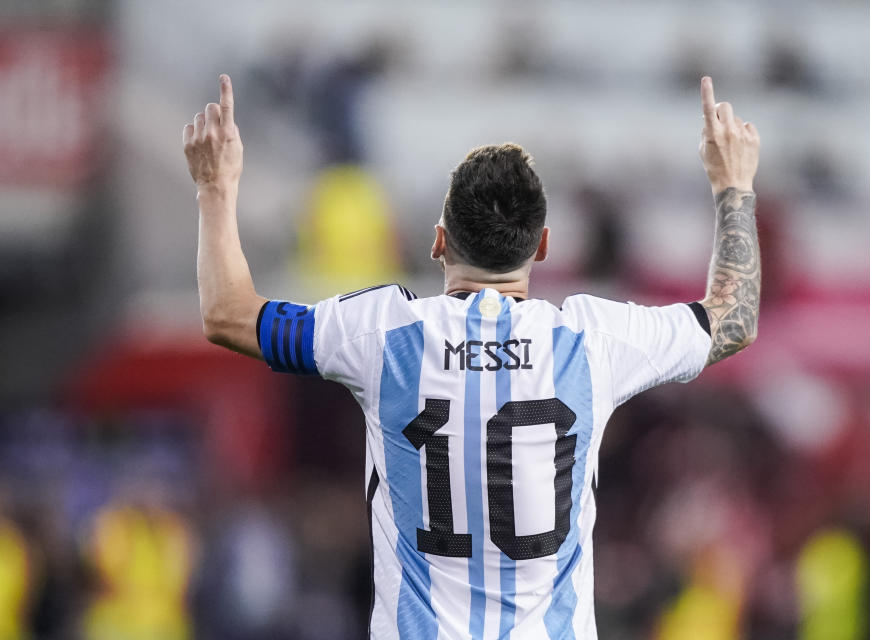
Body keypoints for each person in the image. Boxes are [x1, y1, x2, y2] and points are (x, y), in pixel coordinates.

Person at [183, 74, 760, 640]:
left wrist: (216, 188)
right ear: (541, 246)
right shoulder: (593, 339)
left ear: (438, 242)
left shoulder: (382, 333)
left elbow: (229, 314)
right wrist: (732, 185)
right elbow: (733, 319)